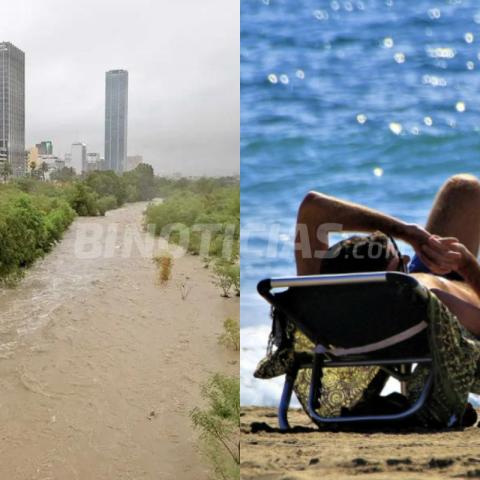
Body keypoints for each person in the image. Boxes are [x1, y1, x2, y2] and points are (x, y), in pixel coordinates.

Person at [295, 173, 480, 337]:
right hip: (465, 292)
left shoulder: (319, 304)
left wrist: (407, 232)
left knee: (464, 188)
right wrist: (467, 266)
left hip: (426, 286)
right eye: (399, 261)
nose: (407, 258)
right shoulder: (429, 301)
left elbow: (311, 208)